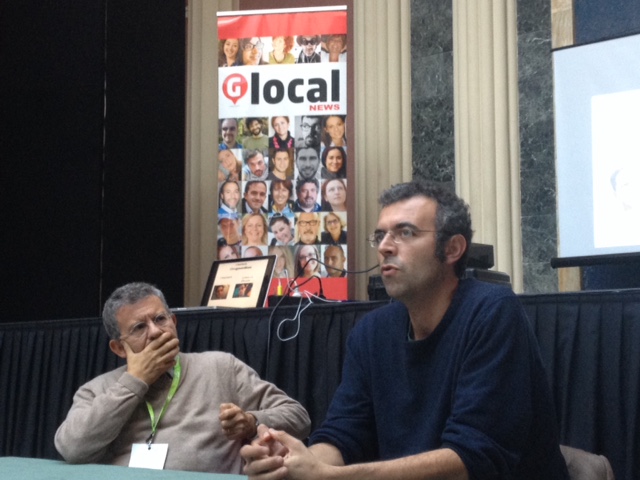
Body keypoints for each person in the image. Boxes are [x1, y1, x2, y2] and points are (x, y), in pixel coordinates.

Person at [241, 181, 569, 480]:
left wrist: (327, 477)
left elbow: (473, 460)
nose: (385, 246)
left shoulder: (492, 312)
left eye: (406, 233)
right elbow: (344, 435)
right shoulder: (371, 333)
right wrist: (291, 462)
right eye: (381, 235)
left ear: (453, 249)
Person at [54, 283, 310, 474]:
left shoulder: (220, 366)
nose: (156, 332)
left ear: (174, 322)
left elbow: (298, 417)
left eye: (160, 319)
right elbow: (73, 448)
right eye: (139, 327)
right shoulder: (97, 389)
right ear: (119, 348)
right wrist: (135, 380)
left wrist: (252, 423)